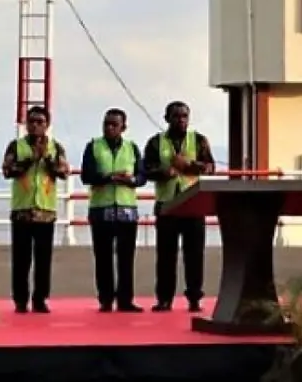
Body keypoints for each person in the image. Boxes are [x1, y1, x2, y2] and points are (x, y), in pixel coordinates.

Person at [143, 100, 215, 313]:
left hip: (193, 205)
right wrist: (165, 172)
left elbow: (210, 167)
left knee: (194, 255)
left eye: (184, 116)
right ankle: (164, 299)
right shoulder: (156, 143)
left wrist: (190, 166)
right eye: (176, 116)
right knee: (166, 256)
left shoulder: (199, 140)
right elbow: (146, 170)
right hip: (167, 205)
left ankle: (194, 298)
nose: (181, 120)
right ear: (167, 119)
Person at [2, 105, 69, 313]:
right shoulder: (16, 146)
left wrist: (45, 159)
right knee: (21, 260)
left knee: (43, 260)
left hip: (45, 213)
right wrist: (31, 158)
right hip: (22, 210)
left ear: (47, 125)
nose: (35, 126)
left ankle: (40, 298)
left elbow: (63, 172)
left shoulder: (56, 148)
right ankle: (20, 300)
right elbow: (8, 170)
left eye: (40, 122)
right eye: (31, 122)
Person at [79, 108, 145, 313]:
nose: (109, 128)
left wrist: (131, 180)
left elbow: (142, 176)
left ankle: (125, 300)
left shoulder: (132, 148)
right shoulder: (93, 147)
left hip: (127, 210)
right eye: (106, 123)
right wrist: (109, 177)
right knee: (103, 257)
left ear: (123, 127)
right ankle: (106, 299)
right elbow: (86, 176)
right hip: (101, 209)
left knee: (126, 258)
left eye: (114, 124)